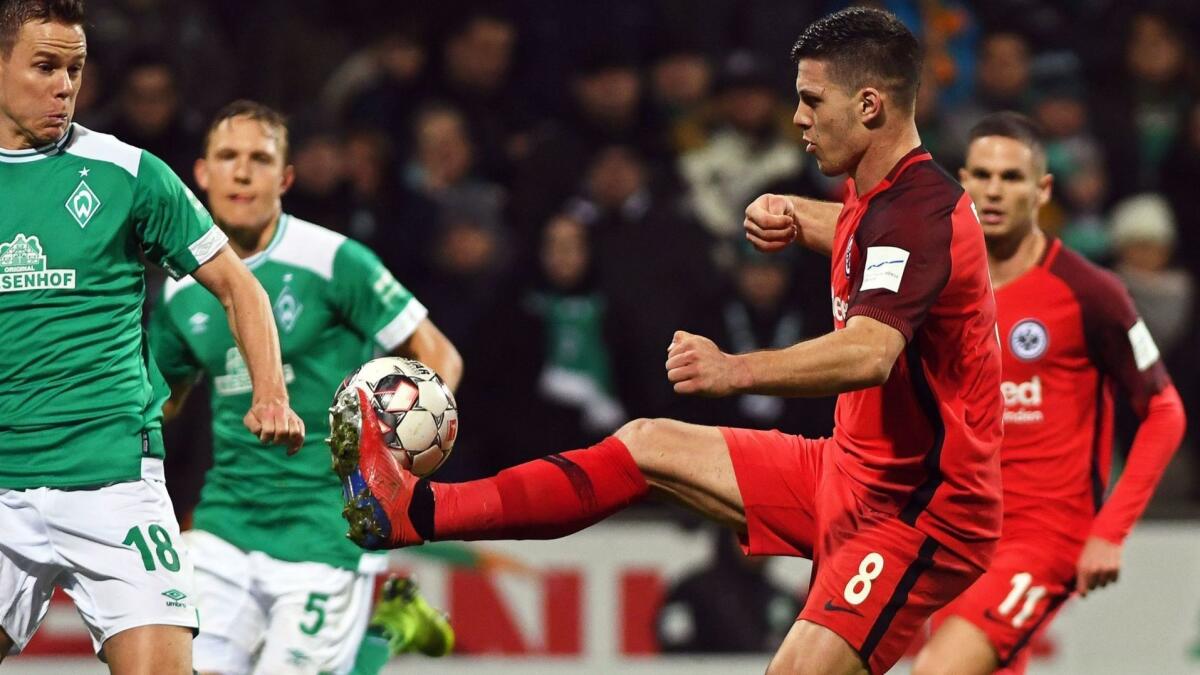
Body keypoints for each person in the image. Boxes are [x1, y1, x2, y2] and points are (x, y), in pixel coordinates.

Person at [332, 8, 1004, 674]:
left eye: (810, 100)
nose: (797, 117)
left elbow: (870, 351)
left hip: (920, 513)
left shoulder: (918, 215)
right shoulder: (884, 199)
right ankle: (414, 510)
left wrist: (734, 369)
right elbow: (878, 241)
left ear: (868, 104)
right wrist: (802, 218)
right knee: (644, 444)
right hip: (849, 471)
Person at [0, 2, 304, 673]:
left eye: (74, 69)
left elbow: (240, 285)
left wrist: (271, 393)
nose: (64, 86)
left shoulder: (127, 174)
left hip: (112, 478)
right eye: (45, 66)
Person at [149, 100, 460, 675]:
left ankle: (384, 632)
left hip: (329, 525)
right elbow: (160, 400)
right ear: (201, 173)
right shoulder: (181, 288)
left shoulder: (334, 261)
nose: (242, 172)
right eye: (227, 157)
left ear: (285, 178)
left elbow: (437, 353)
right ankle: (387, 627)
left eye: (259, 159)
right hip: (224, 524)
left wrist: (409, 449)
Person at [910, 113, 1187, 675]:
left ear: (1043, 190)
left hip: (1044, 537)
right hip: (961, 535)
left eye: (1011, 177)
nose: (992, 190)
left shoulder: (1090, 292)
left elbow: (1164, 409)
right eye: (981, 175)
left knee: (940, 670)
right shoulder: (939, 289)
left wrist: (1109, 532)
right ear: (961, 182)